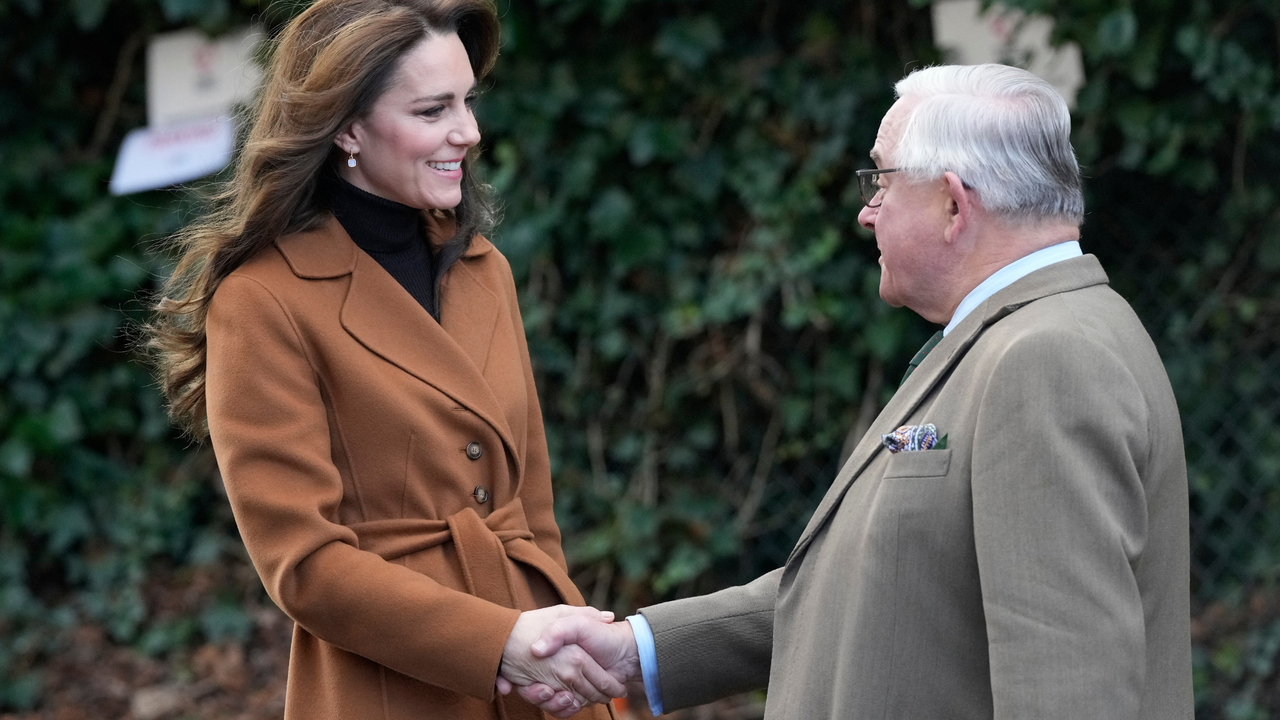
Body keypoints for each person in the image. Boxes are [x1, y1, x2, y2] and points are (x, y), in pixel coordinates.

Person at [501, 63, 1194, 719]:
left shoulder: (1045, 357)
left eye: (881, 183)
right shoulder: (1022, 335)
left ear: (953, 204)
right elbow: (879, 586)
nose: (868, 212)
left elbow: (1066, 684)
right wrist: (639, 652)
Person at [145, 1, 624, 718]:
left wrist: (553, 646)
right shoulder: (262, 301)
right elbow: (303, 566)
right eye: (433, 110)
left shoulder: (481, 268)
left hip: (541, 672)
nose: (469, 131)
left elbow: (531, 508)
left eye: (468, 101)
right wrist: (497, 643)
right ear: (346, 128)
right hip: (393, 686)